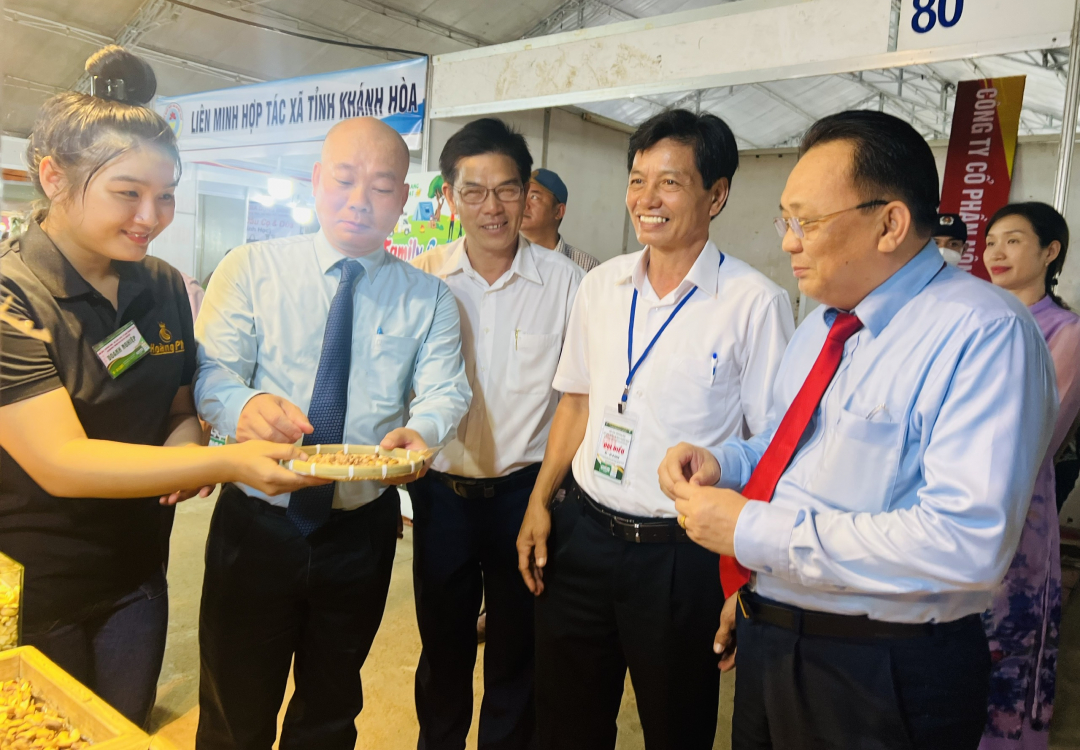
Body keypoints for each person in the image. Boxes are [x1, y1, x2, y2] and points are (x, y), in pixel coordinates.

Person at [659, 110, 1057, 750]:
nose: (788, 241)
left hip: (879, 671)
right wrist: (725, 463)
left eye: (806, 222)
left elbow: (966, 540)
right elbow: (788, 448)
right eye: (785, 221)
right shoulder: (822, 326)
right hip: (774, 637)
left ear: (891, 223)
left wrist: (750, 531)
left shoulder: (984, 333)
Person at [0, 46, 317, 728]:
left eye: (166, 195)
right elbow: (61, 461)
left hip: (138, 572)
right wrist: (223, 460)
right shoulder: (11, 297)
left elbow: (180, 400)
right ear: (53, 177)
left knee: (125, 724)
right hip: (34, 584)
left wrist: (187, 445)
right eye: (128, 194)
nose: (152, 215)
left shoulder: (163, 283)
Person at [516, 109, 794, 750]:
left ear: (716, 194)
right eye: (637, 179)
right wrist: (539, 502)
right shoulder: (602, 285)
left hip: (681, 557)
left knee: (677, 723)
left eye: (669, 182)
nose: (647, 199)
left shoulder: (753, 304)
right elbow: (576, 404)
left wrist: (743, 577)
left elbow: (774, 450)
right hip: (581, 534)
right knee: (564, 720)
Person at [193, 116, 472, 750]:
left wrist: (421, 430)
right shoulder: (252, 268)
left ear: (404, 199)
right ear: (317, 182)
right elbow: (211, 370)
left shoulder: (427, 298)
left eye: (380, 187)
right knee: (234, 707)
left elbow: (445, 389)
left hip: (359, 529)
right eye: (344, 180)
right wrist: (243, 405)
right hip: (256, 525)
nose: (359, 200)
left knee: (331, 704)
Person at [410, 119, 584, 750]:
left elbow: (577, 400)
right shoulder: (421, 279)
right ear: (450, 198)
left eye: (507, 190)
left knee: (518, 653)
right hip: (440, 497)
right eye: (474, 191)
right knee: (443, 648)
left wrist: (545, 496)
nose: (493, 207)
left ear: (527, 193)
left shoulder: (567, 285)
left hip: (527, 499)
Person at [982, 202, 1080, 749]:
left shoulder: (1064, 332)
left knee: (1006, 639)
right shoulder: (975, 319)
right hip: (955, 500)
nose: (996, 251)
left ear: (1050, 252)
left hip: (1019, 510)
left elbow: (1039, 431)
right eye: (991, 240)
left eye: (1013, 240)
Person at [523, 168, 601, 272]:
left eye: (534, 197)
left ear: (559, 211)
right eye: (522, 196)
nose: (523, 205)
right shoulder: (502, 260)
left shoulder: (587, 267)